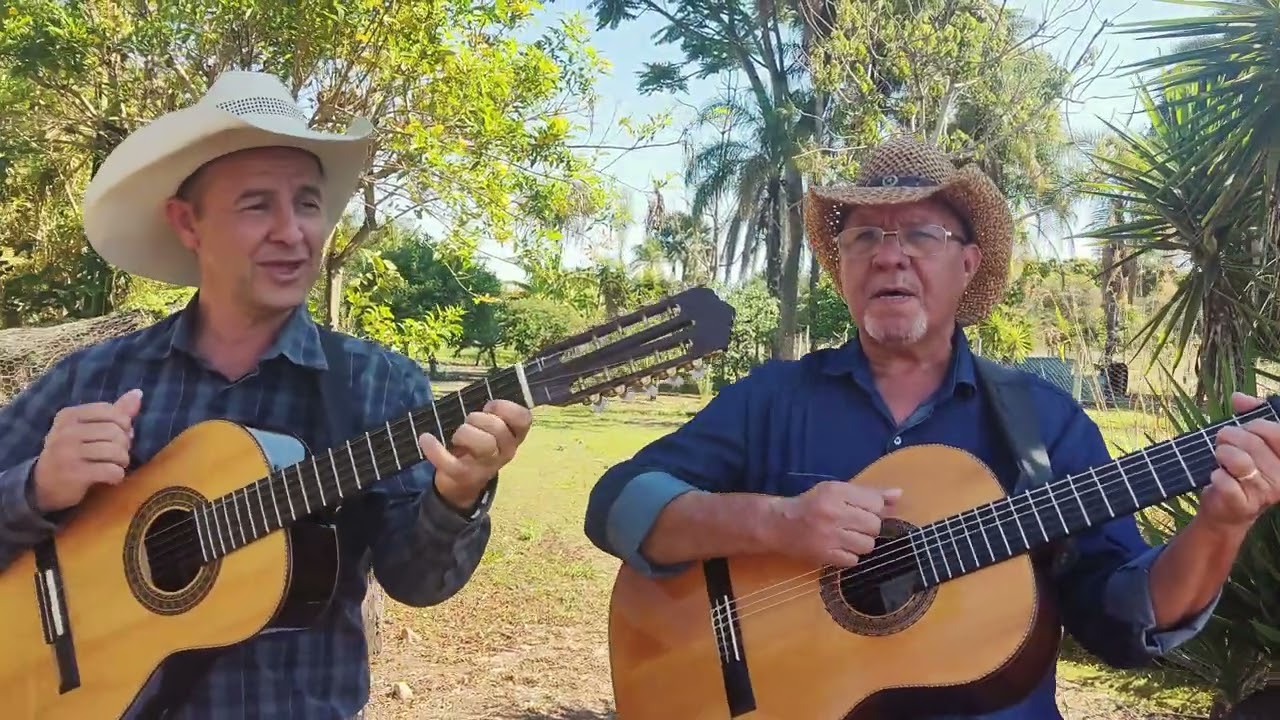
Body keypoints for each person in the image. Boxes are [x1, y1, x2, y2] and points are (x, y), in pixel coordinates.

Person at [583, 135, 1280, 718]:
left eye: (921, 233)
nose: (891, 254)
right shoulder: (772, 397)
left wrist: (1219, 528)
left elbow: (1121, 619)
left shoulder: (1042, 422)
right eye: (865, 238)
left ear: (968, 263)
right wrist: (774, 522)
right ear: (845, 268)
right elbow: (617, 504)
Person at [0, 71, 533, 719]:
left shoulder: (378, 385)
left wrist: (458, 496)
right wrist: (36, 488)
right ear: (187, 224)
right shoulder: (97, 378)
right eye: (257, 205)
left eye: (307, 203)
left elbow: (417, 582)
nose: (292, 231)